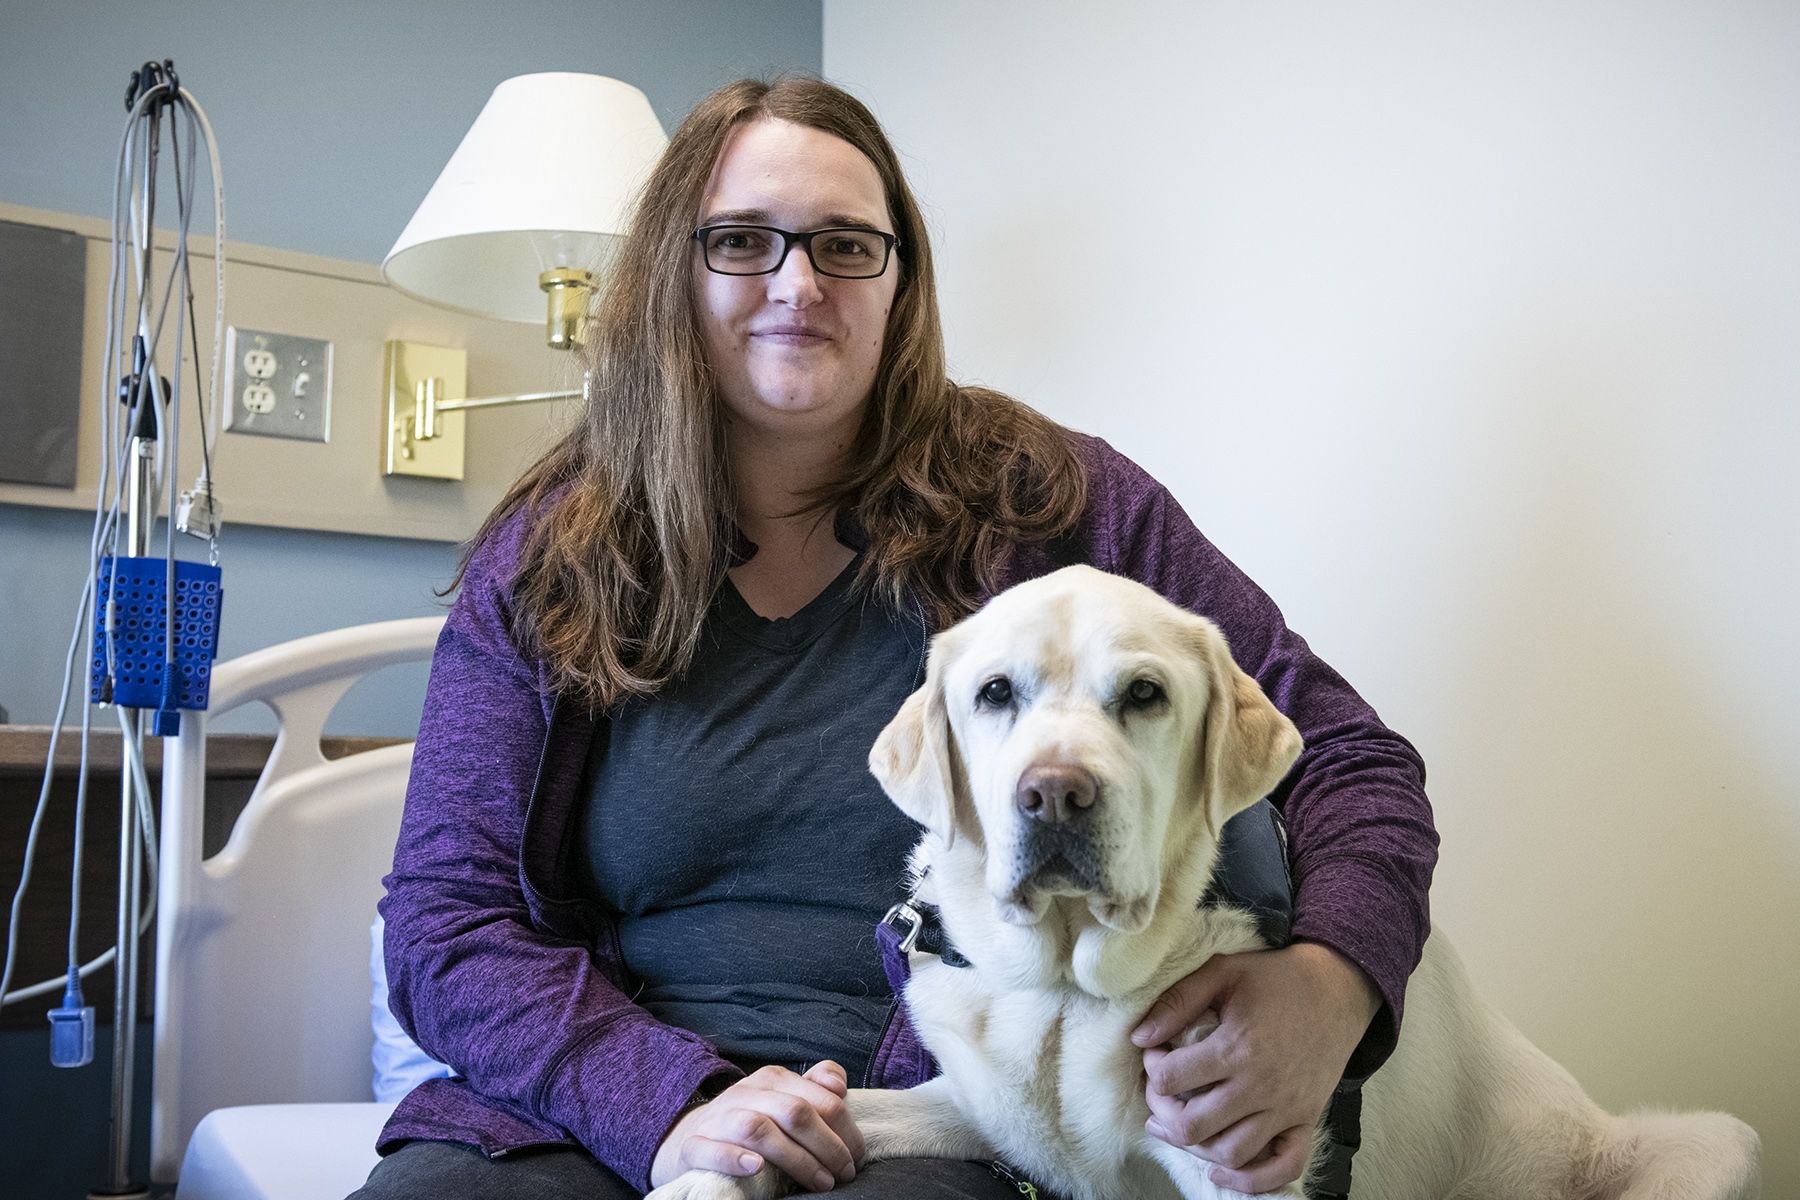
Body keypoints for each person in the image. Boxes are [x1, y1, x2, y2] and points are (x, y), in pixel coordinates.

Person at [353, 76, 1437, 1200]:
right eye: (740, 241)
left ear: (900, 281)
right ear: (672, 272)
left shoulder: (1060, 501)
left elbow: (1353, 762)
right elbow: (447, 919)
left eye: (845, 245)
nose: (798, 282)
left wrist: (1331, 984)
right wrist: (670, 1104)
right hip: (596, 1108)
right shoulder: (554, 555)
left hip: (933, 1115)